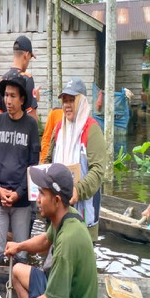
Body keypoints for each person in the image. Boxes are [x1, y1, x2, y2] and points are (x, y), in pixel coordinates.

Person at [0, 163, 97, 298]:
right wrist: (19, 246)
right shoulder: (67, 215)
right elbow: (44, 241)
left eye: (42, 193)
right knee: (17, 271)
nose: (38, 199)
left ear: (56, 200)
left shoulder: (68, 241)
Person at [0, 71, 40, 264]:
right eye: (6, 95)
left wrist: (19, 192)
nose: (8, 101)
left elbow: (33, 164)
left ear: (22, 99)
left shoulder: (31, 125)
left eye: (12, 96)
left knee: (21, 255)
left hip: (22, 201)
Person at [44, 77, 106, 242]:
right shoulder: (59, 128)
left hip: (83, 210)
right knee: (56, 250)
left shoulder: (92, 130)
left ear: (82, 101)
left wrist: (77, 190)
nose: (67, 105)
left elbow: (98, 171)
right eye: (65, 101)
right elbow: (48, 160)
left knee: (80, 253)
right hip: (58, 207)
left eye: (72, 100)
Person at [0, 35, 39, 120]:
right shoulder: (27, 79)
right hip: (21, 128)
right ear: (26, 55)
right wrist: (35, 100)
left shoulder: (3, 80)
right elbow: (32, 119)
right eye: (30, 58)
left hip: (5, 128)